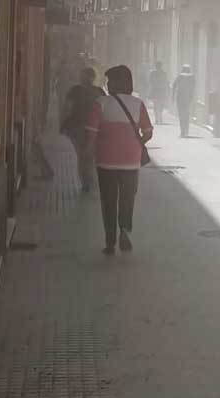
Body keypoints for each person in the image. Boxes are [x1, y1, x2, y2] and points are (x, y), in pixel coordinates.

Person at [85, 64, 153, 256]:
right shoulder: (138, 104)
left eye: (109, 81)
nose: (107, 84)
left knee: (108, 200)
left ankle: (109, 242)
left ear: (115, 83)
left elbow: (91, 133)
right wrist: (136, 142)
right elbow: (148, 132)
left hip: (105, 161)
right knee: (127, 198)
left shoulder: (101, 103)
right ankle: (124, 229)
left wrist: (87, 154)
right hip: (131, 162)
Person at [60, 66, 104, 192]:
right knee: (89, 154)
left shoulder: (75, 90)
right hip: (94, 128)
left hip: (77, 126)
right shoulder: (99, 91)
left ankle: (85, 179)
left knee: (81, 154)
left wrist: (63, 122)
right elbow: (104, 110)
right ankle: (88, 177)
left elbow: (67, 107)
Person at [172, 63, 195, 138]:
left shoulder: (180, 76)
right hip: (187, 98)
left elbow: (174, 86)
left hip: (180, 97)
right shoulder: (192, 77)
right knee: (186, 114)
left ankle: (182, 131)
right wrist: (191, 96)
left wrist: (172, 96)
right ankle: (186, 130)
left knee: (181, 115)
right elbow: (194, 87)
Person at [148, 60, 170, 126]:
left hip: (155, 91)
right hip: (161, 91)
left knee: (156, 105)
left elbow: (150, 81)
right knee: (160, 105)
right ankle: (159, 117)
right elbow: (165, 82)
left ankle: (157, 118)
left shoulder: (153, 73)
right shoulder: (163, 73)